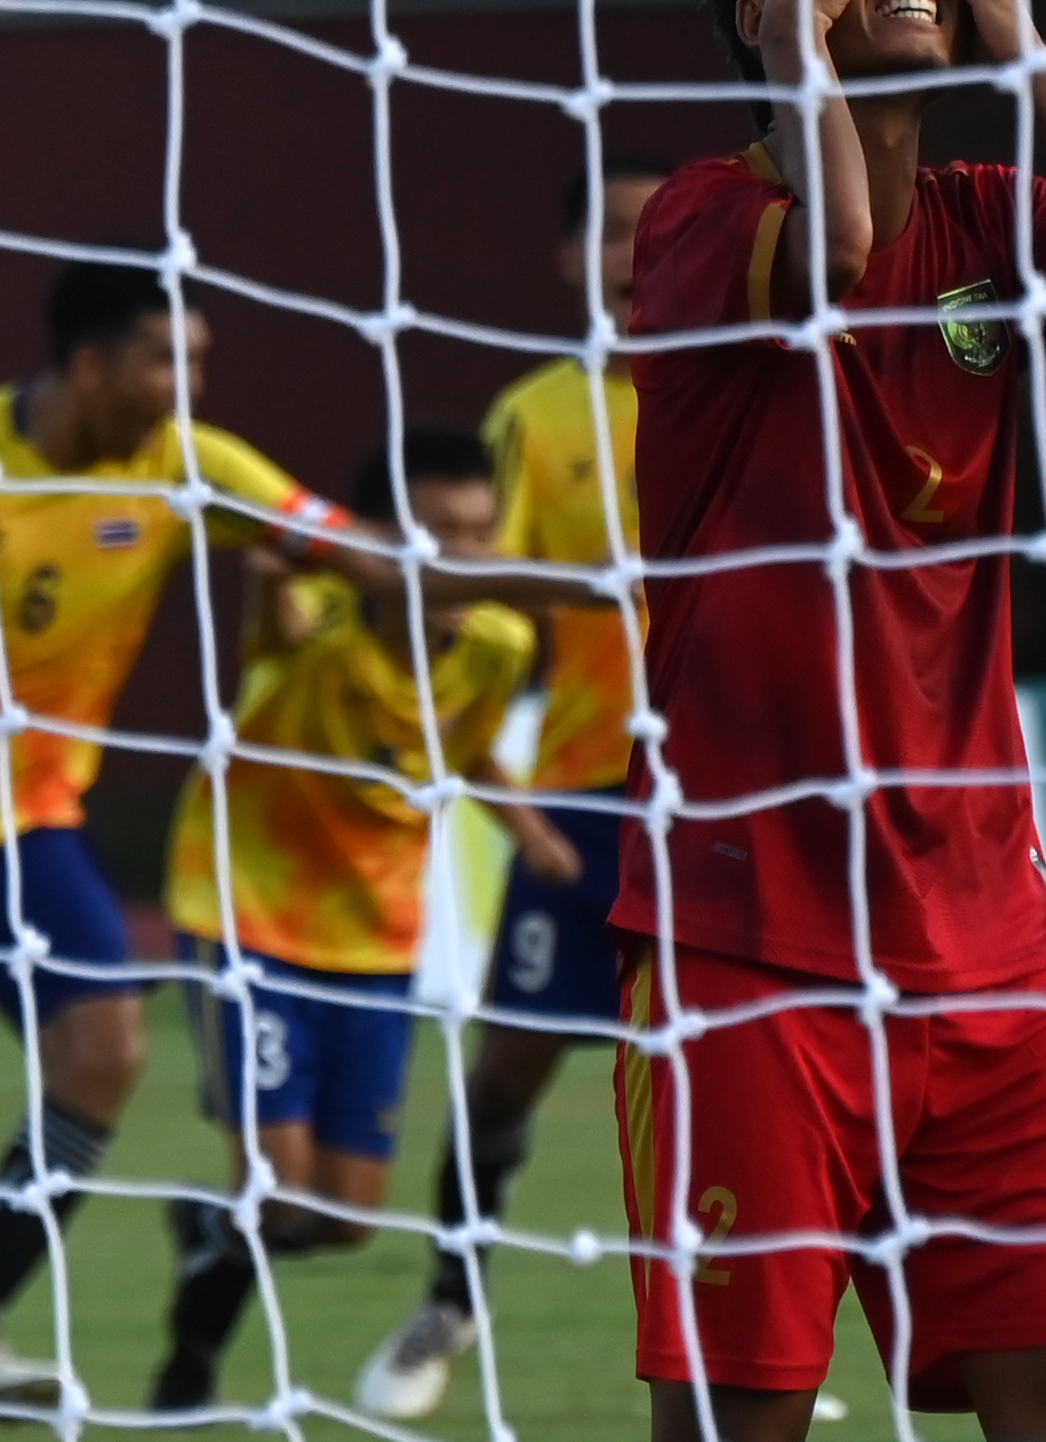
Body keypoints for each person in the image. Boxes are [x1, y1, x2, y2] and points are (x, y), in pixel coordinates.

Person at [0, 262, 565, 1436]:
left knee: (107, 1048)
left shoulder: (187, 464)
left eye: (197, 361)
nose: (186, 385)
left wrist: (592, 589)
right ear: (90, 365)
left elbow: (375, 558)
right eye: (164, 361)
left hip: (26, 825)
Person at [616, 0, 1046, 1442]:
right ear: (760, 6)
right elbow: (830, 250)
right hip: (748, 960)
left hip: (994, 959)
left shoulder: (997, 222)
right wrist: (799, 45)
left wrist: (1031, 55)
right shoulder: (703, 224)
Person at [150, 427, 568, 1410]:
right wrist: (267, 580)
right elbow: (278, 626)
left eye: (478, 530)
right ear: (380, 535)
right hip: (249, 916)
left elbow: (455, 747)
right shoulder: (316, 609)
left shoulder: (500, 640)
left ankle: (202, 1236)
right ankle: (187, 1374)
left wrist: (527, 826)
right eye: (436, 530)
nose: (461, 554)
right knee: (280, 1184)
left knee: (345, 1222)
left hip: (376, 939)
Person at [359, 154, 670, 1420]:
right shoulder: (538, 417)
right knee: (514, 1067)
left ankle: (747, 1324)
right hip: (595, 783)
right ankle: (450, 1294)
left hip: (747, 794)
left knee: (737, 1076)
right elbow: (477, 585)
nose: (631, 256)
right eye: (609, 234)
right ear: (568, 260)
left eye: (656, 232)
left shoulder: (763, 375)